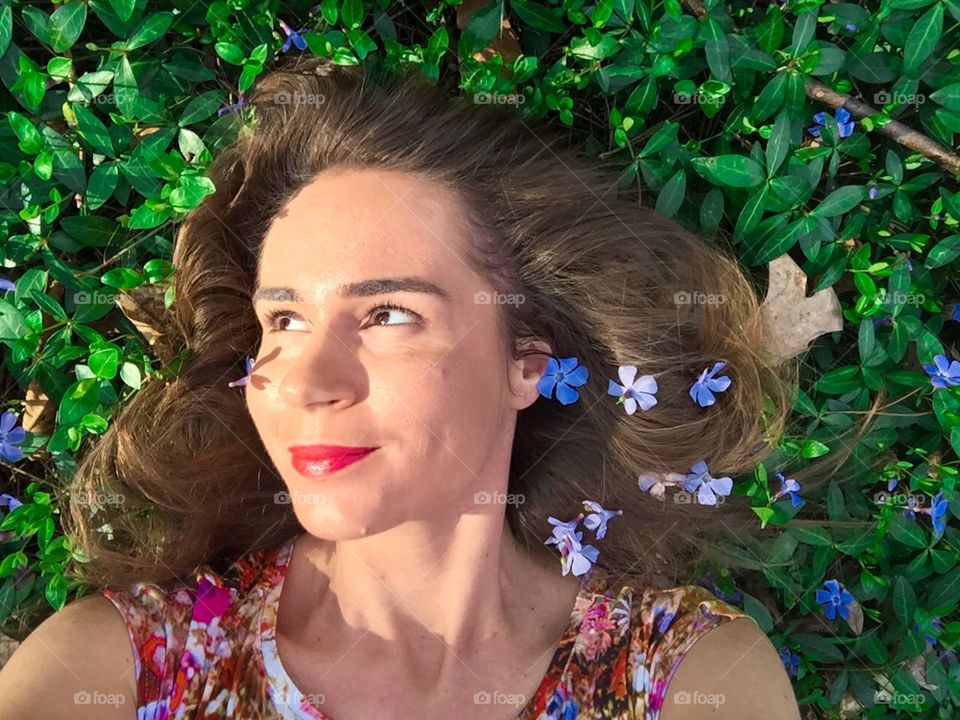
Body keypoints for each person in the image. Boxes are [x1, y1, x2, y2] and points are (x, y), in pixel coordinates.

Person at [0, 55, 801, 719]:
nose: (305, 383)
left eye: (387, 313)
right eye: (283, 321)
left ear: (527, 363)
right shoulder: (118, 670)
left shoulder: (686, 678)